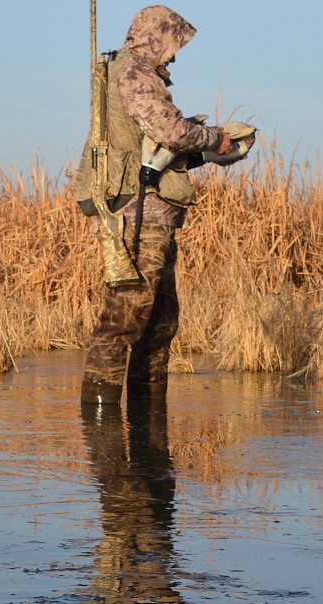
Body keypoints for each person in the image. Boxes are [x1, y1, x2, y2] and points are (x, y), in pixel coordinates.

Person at [74, 5, 249, 406]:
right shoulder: (134, 71)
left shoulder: (134, 71)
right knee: (125, 318)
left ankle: (149, 427)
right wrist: (215, 138)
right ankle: (103, 438)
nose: (173, 55)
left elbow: (155, 141)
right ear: (155, 38)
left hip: (155, 212)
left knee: (160, 322)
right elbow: (168, 130)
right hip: (138, 212)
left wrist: (205, 149)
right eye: (172, 45)